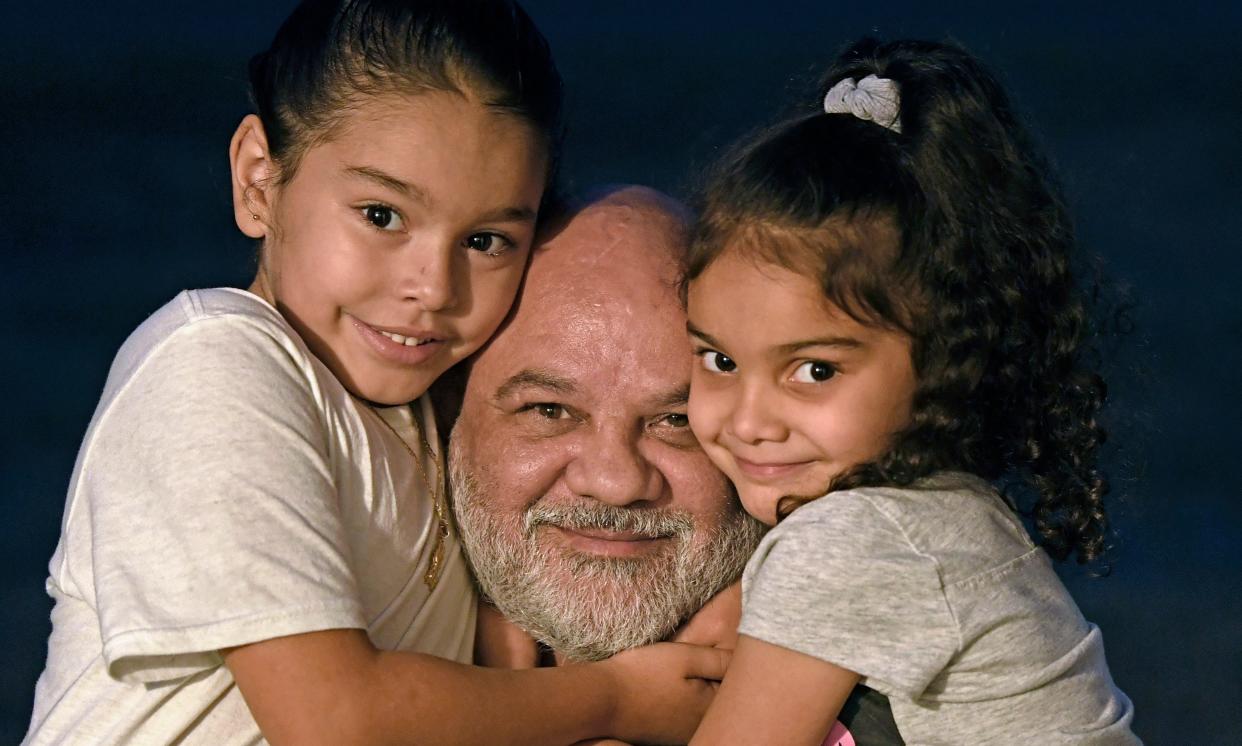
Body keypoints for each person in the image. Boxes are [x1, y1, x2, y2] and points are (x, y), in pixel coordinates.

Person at [23, 3, 725, 745]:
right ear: (259, 180)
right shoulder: (216, 367)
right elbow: (333, 720)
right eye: (382, 215)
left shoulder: (411, 402)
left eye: (485, 239)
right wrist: (615, 698)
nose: (433, 288)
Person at [683, 39, 1140, 744]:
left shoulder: (853, 541)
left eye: (814, 371)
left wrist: (614, 707)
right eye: (717, 359)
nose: (748, 421)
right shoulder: (938, 507)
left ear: (943, 358)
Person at [447, 185, 907, 746]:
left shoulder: (889, 693)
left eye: (677, 420)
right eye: (549, 410)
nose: (616, 484)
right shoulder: (362, 636)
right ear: (447, 413)